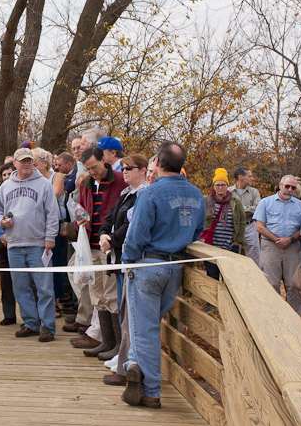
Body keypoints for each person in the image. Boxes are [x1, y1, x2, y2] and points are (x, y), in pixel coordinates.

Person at [122, 142, 204, 409]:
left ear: (156, 162)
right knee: (148, 323)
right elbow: (197, 232)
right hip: (176, 267)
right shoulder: (195, 194)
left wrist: (127, 260)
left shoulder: (151, 194)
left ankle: (151, 389)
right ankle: (135, 365)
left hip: (148, 265)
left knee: (143, 328)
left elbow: (137, 235)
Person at [0, 147, 59, 342]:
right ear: (15, 163)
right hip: (14, 244)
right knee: (20, 287)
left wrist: (50, 237)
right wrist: (1, 222)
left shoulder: (44, 185)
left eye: (30, 160)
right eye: (23, 161)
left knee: (44, 287)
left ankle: (47, 326)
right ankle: (31, 322)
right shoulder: (5, 186)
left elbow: (52, 213)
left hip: (39, 243)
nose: (27, 163)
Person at [99, 154, 148, 385]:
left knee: (130, 314)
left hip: (131, 260)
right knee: (120, 305)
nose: (125, 171)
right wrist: (104, 234)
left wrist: (113, 240)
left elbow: (132, 226)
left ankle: (127, 361)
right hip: (117, 257)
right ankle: (121, 353)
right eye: (124, 168)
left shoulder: (144, 195)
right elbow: (110, 216)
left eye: (130, 168)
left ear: (144, 170)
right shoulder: (125, 193)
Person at [72, 147, 126, 357]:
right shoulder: (86, 183)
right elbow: (81, 208)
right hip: (90, 245)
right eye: (88, 168)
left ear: (104, 160)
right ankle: (105, 341)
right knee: (97, 295)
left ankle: (116, 346)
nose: (92, 171)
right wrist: (81, 220)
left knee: (111, 295)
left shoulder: (120, 181)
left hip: (109, 246)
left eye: (94, 167)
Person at [254, 174, 301, 314]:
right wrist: (276, 239)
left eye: (293, 187)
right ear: (280, 185)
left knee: (294, 284)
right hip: (270, 246)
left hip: (292, 246)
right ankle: (271, 314)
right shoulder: (265, 202)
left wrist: (289, 239)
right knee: (271, 282)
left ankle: (296, 316)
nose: (290, 189)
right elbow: (259, 226)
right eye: (287, 186)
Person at [202, 168, 245, 277]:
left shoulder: (235, 202)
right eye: (217, 185)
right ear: (214, 186)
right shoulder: (206, 201)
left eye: (223, 185)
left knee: (229, 279)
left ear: (227, 185)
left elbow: (241, 222)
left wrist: (237, 242)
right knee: (212, 277)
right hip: (210, 246)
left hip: (229, 246)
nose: (220, 187)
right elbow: (200, 220)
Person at [0, 162, 17, 325]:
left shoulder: (19, 193)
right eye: (4, 174)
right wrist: (1, 235)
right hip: (1, 243)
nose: (6, 177)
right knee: (6, 279)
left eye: (9, 173)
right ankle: (9, 314)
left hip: (19, 241)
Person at [230, 168, 261, 264]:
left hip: (250, 227)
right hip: (232, 227)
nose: (252, 178)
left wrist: (239, 209)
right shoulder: (228, 191)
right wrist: (248, 209)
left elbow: (257, 209)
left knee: (254, 257)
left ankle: (255, 277)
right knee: (232, 256)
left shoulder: (254, 192)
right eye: (249, 176)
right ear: (240, 177)